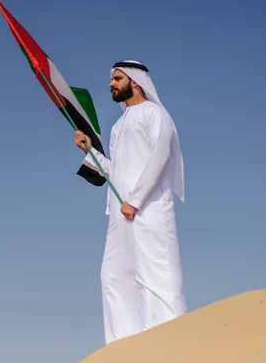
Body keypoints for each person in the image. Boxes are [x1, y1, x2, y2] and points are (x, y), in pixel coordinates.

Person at [74, 60, 186, 344]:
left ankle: (169, 343)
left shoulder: (155, 114)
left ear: (135, 82)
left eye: (117, 79)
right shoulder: (119, 124)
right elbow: (118, 170)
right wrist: (89, 150)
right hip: (120, 216)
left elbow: (159, 157)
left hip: (149, 212)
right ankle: (123, 346)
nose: (111, 84)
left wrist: (135, 201)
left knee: (157, 277)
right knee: (113, 278)